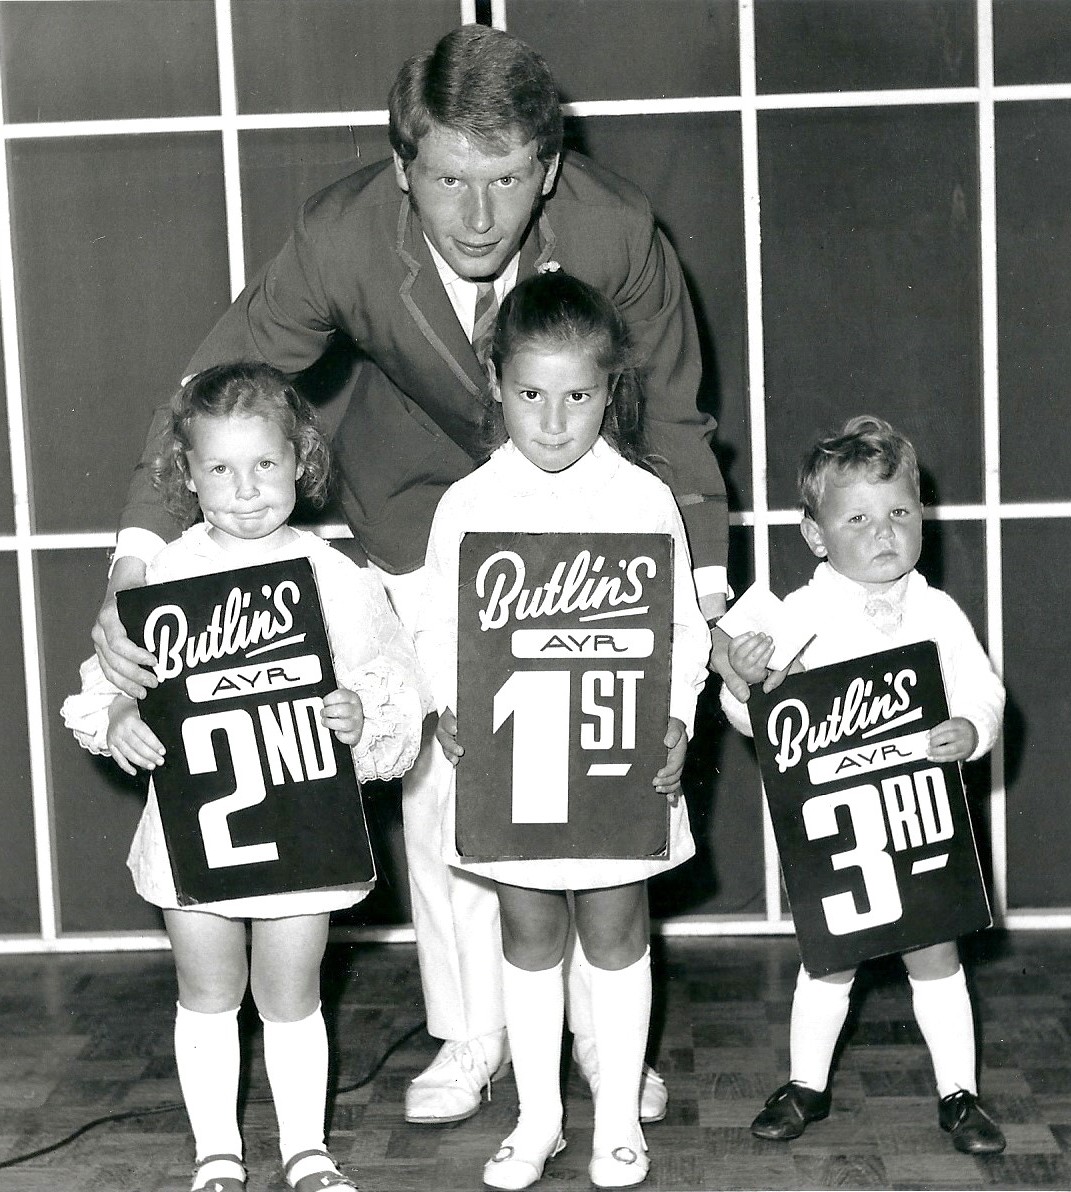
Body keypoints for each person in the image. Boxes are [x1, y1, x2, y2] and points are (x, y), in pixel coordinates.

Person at [89, 25, 731, 1126]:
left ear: (551, 165)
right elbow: (211, 384)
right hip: (423, 512)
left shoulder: (620, 232)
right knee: (441, 781)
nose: (478, 218)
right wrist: (135, 562)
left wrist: (701, 603)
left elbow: (673, 413)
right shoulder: (340, 238)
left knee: (602, 772)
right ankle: (469, 1033)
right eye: (446, 179)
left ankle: (600, 1045)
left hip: (588, 506)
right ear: (401, 170)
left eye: (506, 180)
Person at [62, 363, 431, 1192]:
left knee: (293, 993)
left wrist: (361, 720)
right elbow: (101, 685)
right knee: (207, 991)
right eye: (220, 469)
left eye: (264, 464)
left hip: (302, 825)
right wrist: (119, 719)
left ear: (301, 460)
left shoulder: (335, 577)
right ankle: (217, 1155)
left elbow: (393, 683)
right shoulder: (160, 580)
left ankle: (307, 1150)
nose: (245, 488)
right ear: (185, 477)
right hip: (196, 831)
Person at [415, 272, 710, 1190]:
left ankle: (617, 1118)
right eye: (530, 396)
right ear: (495, 385)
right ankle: (537, 1116)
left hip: (614, 750)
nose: (551, 421)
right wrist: (442, 703)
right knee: (529, 933)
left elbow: (680, 629)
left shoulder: (641, 499)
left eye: (576, 397)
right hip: (515, 756)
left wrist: (675, 716)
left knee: (618, 930)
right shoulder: (467, 504)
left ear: (609, 393)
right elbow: (434, 625)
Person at [719, 415, 1006, 1156]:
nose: (884, 533)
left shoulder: (937, 611)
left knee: (936, 955)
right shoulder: (799, 615)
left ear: (921, 518)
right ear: (814, 536)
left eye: (899, 513)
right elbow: (756, 721)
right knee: (829, 959)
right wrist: (747, 683)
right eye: (858, 518)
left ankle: (958, 1090)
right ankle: (805, 1084)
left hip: (918, 810)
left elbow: (982, 688)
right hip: (837, 820)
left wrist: (970, 729)